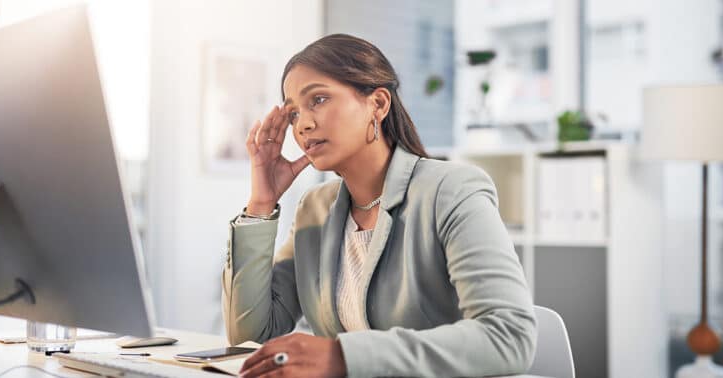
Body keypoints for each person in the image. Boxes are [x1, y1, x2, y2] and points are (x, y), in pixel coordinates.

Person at [222, 34, 536, 378]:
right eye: (294, 113)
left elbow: (509, 335)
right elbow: (250, 336)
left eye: (319, 99)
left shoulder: (451, 191)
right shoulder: (316, 209)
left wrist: (343, 357)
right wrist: (261, 203)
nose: (303, 125)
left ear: (379, 104)